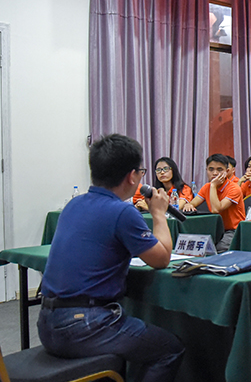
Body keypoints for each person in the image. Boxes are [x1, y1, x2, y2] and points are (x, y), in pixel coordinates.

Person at [39, 134, 184, 382]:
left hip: (47, 323)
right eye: (141, 172)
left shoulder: (74, 205)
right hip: (84, 326)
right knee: (169, 349)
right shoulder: (122, 211)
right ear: (132, 176)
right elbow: (161, 259)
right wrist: (159, 214)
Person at [188, 154, 246, 251]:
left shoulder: (234, 188)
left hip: (233, 230)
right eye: (211, 169)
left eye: (219, 170)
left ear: (227, 171)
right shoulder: (206, 187)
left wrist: (213, 186)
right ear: (206, 170)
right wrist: (188, 205)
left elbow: (216, 209)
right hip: (214, 229)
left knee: (219, 249)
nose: (215, 173)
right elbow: (193, 203)